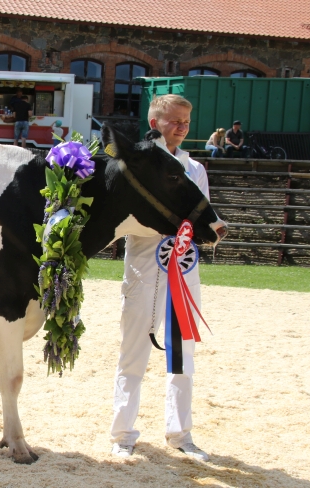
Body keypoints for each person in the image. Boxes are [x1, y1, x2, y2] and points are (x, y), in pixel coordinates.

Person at [110, 94, 210, 462]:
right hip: (144, 268)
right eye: (174, 121)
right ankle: (123, 434)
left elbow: (202, 219)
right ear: (155, 123)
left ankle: (180, 433)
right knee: (133, 353)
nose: (182, 127)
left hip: (184, 272)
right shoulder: (137, 166)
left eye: (186, 122)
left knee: (183, 356)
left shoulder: (195, 169)